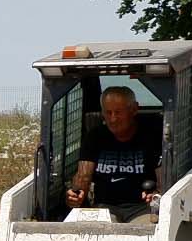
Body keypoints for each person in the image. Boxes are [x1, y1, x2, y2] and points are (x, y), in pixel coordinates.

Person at [68, 85, 163, 215]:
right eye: (108, 113)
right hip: (104, 208)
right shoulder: (94, 137)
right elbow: (83, 176)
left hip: (142, 208)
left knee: (147, 226)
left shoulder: (151, 138)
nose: (113, 119)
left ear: (134, 109)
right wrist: (75, 195)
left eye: (118, 112)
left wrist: (157, 194)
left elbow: (163, 178)